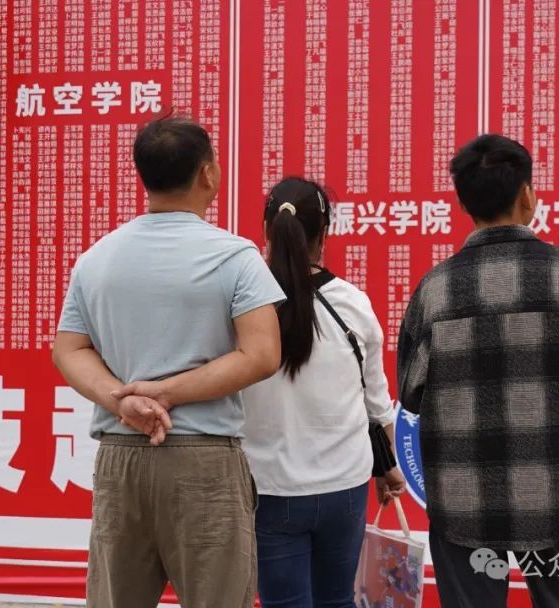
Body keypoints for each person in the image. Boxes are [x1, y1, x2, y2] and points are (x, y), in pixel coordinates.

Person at [117, 177, 406, 608]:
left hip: (267, 489)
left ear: (267, 231)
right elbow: (376, 403)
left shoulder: (239, 304)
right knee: (337, 601)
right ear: (325, 234)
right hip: (344, 487)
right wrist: (388, 468)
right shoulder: (353, 304)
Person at [51, 115, 286, 608]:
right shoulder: (235, 256)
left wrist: (123, 401)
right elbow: (262, 355)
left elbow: (68, 349)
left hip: (122, 454)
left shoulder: (97, 258)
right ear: (207, 173)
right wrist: (167, 393)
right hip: (204, 459)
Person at [396, 134, 559, 608]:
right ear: (527, 195)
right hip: (552, 492)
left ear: (463, 204)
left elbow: (412, 392)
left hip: (461, 500)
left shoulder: (434, 290)